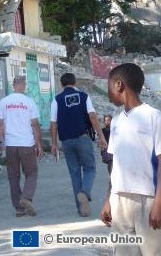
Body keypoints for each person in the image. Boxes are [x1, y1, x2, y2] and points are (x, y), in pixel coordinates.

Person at [100, 63, 161, 255]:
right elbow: (115, 165)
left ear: (119, 85)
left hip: (148, 199)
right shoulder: (116, 121)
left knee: (152, 252)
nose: (107, 91)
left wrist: (159, 202)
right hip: (120, 200)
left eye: (108, 85)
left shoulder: (154, 117)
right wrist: (109, 199)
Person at [50, 73, 107, 217]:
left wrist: (54, 144)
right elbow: (93, 117)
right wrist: (101, 136)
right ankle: (85, 192)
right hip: (83, 138)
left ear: (62, 85)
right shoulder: (84, 96)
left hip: (67, 142)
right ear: (75, 83)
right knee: (90, 169)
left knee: (74, 173)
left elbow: (53, 124)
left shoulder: (56, 100)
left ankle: (81, 209)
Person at [0, 75, 43, 217]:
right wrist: (39, 144)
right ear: (24, 85)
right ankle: (26, 198)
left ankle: (18, 208)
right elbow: (35, 125)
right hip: (26, 143)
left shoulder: (4, 102)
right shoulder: (29, 102)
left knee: (13, 176)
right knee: (31, 172)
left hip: (11, 144)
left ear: (13, 85)